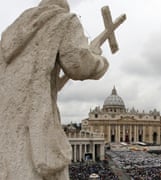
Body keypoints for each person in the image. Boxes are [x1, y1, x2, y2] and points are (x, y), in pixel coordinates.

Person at [0, 0, 111, 179]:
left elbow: (40, 83)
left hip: (6, 131)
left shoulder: (9, 35)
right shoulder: (63, 20)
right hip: (36, 128)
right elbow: (79, 64)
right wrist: (99, 59)